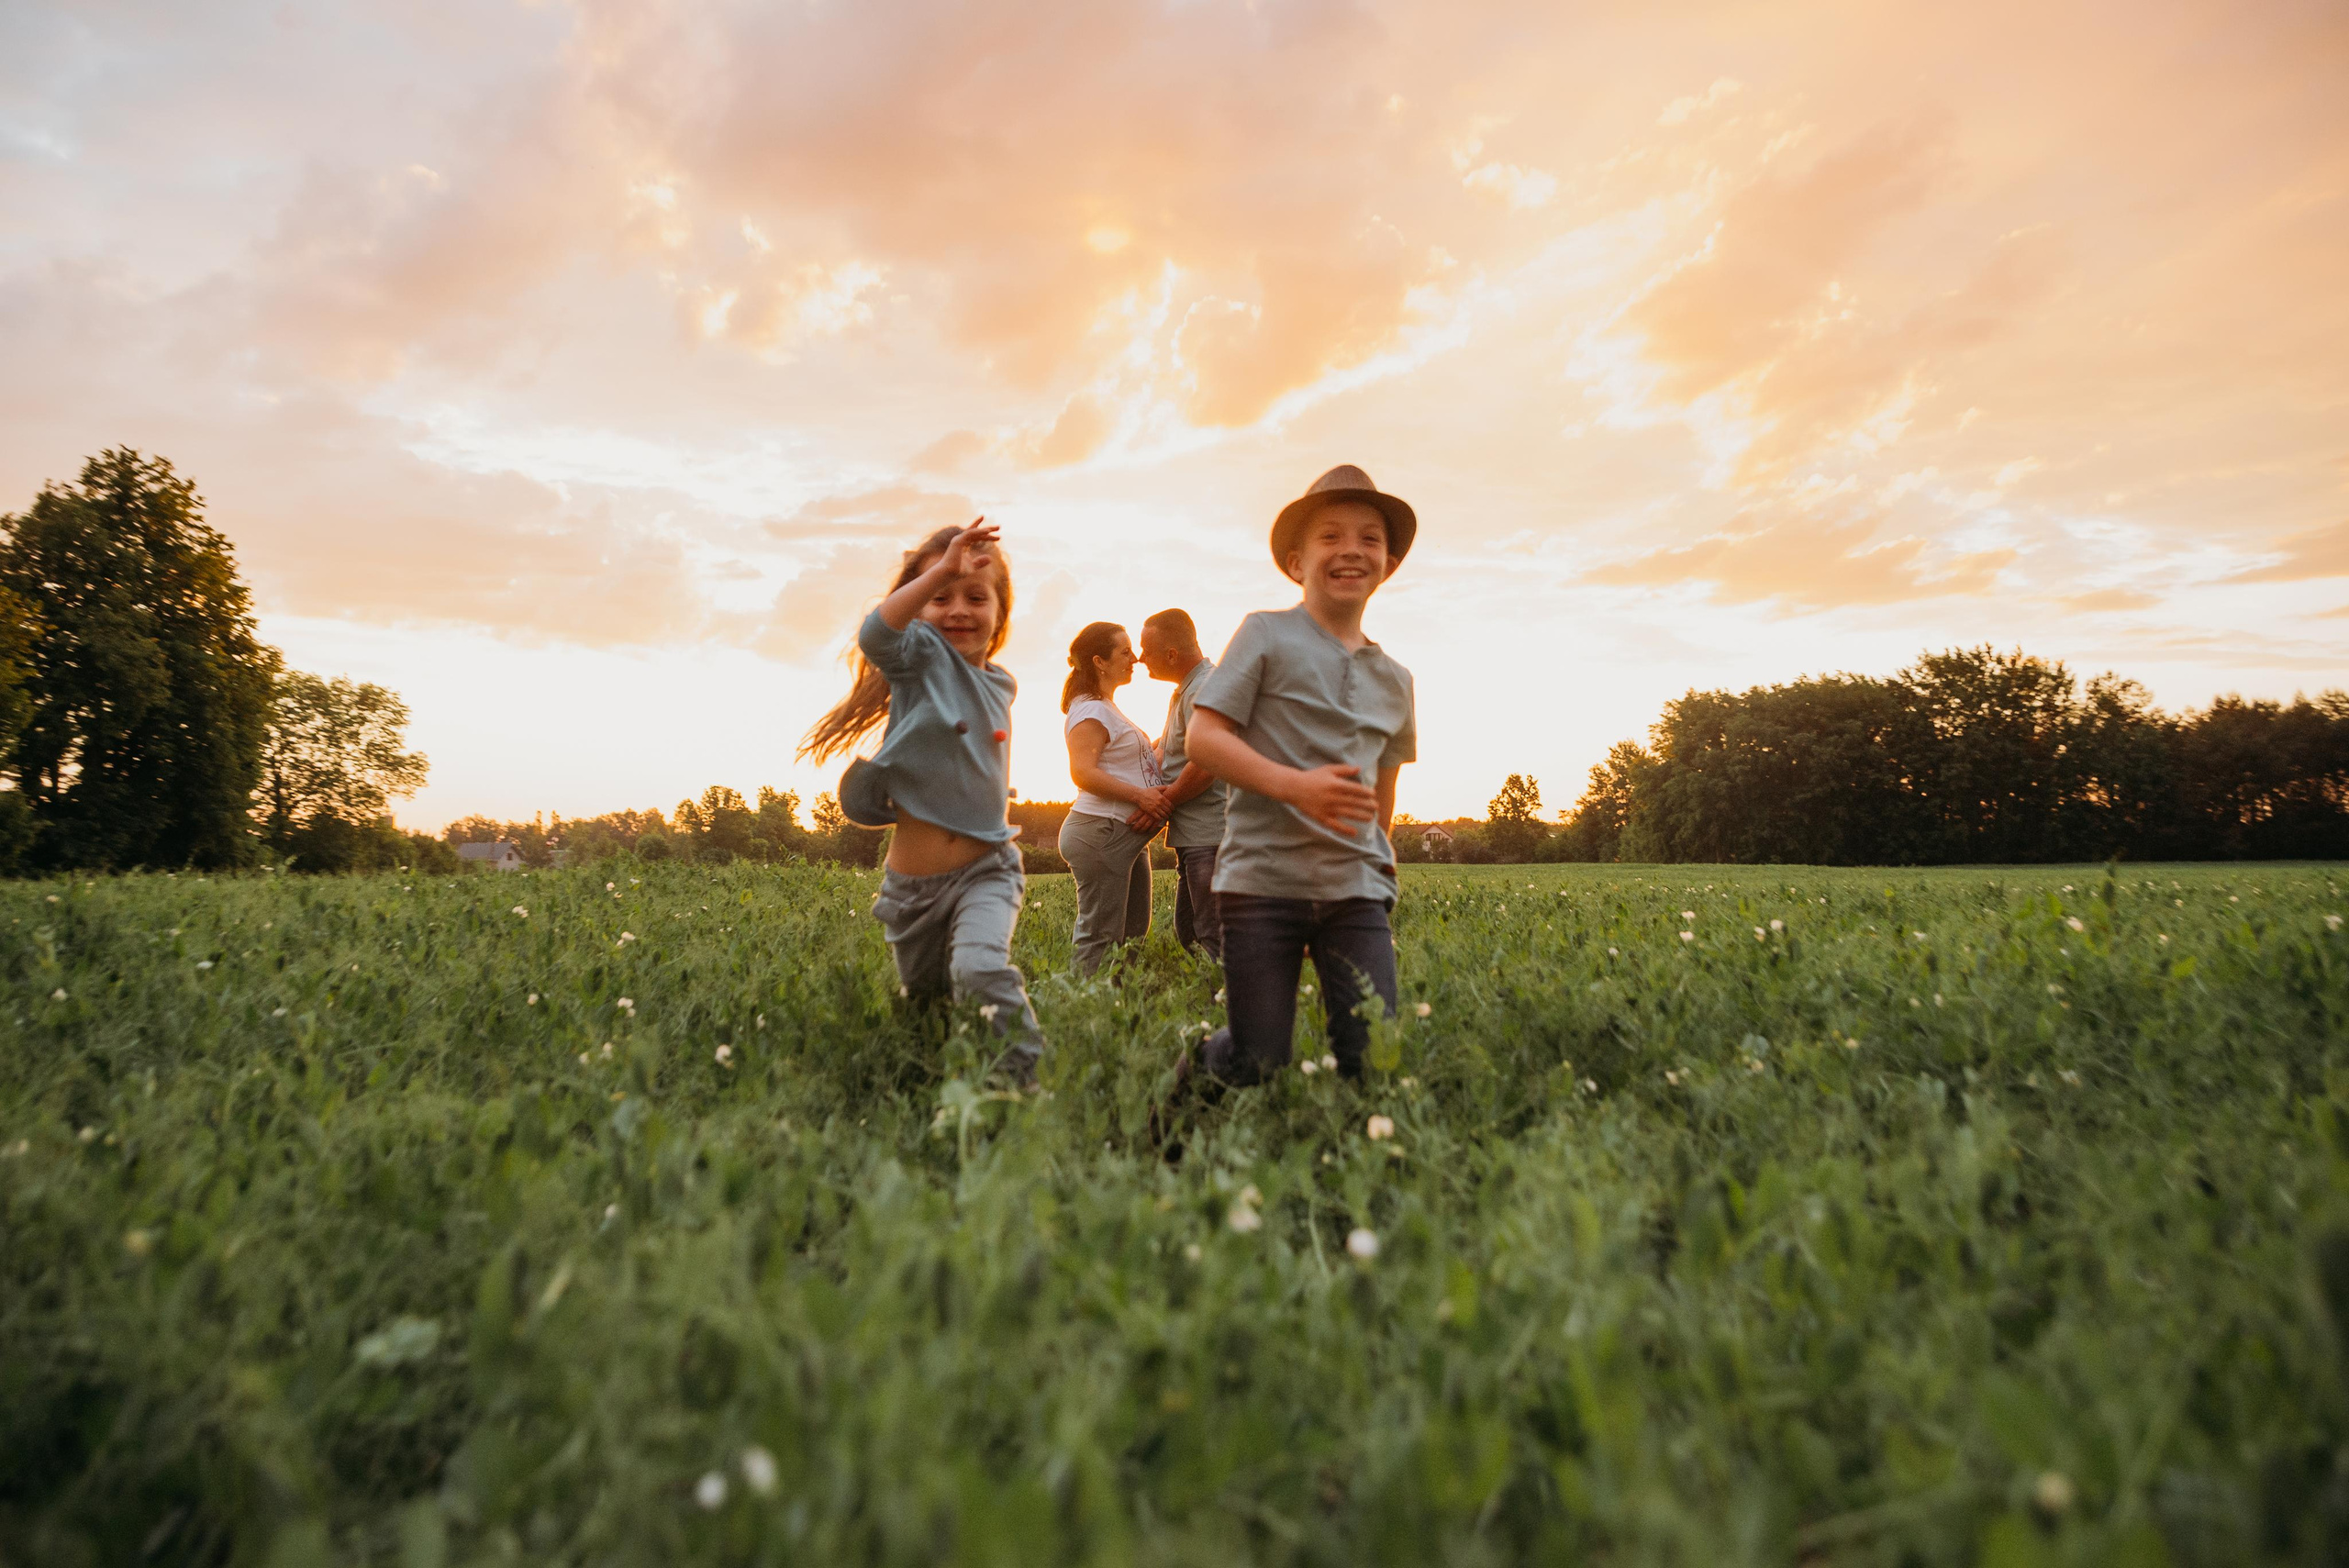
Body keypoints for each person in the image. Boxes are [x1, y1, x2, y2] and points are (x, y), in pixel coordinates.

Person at [1180, 464, 1417, 1090]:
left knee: (1374, 1055)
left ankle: (1362, 1168)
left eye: (1369, 538)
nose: (1351, 549)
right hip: (1261, 884)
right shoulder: (1266, 633)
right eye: (1330, 535)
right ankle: (1186, 1091)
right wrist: (1295, 787)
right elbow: (1204, 738)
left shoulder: (1396, 679)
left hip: (1354, 889)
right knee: (1258, 1058)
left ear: (1387, 562)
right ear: (1295, 559)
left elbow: (1380, 786)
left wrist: (1380, 856)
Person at [797, 517, 1044, 1087]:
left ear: (1000, 613)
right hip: (913, 890)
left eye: (975, 596)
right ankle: (923, 1092)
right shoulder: (920, 659)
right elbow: (876, 636)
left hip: (988, 870)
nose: (957, 607)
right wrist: (941, 566)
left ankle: (1021, 1087)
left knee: (980, 970)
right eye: (940, 595)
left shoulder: (1002, 683)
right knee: (925, 1010)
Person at [1058, 621, 1171, 974]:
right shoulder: (1091, 710)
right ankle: (1085, 1011)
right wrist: (1143, 797)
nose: (1135, 658)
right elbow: (1083, 772)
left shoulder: (1105, 707)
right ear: (1099, 662)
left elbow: (1136, 762)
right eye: (1124, 651)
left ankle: (1118, 1007)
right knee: (1100, 938)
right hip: (1101, 832)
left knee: (1133, 933)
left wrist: (1171, 736)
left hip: (1122, 834)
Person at [1139, 607, 1229, 961]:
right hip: (1195, 836)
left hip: (1212, 835)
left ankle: (1226, 1009)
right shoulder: (1188, 690)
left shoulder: (1205, 688)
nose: (1140, 657)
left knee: (1212, 935)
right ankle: (1208, 1005)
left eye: (1147, 650)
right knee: (1190, 931)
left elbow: (1207, 761)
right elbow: (1169, 749)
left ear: (1173, 654)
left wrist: (1166, 801)